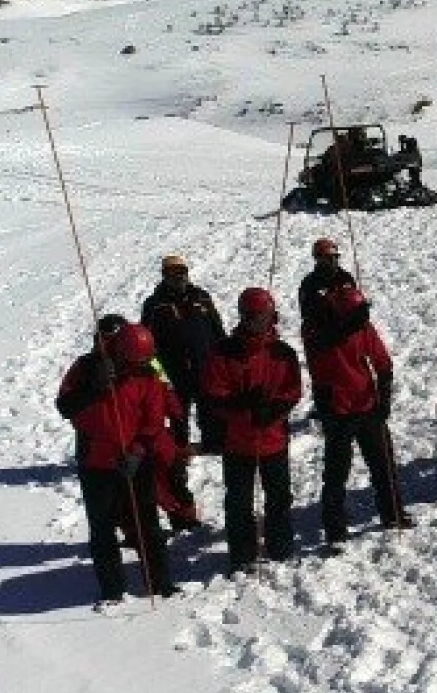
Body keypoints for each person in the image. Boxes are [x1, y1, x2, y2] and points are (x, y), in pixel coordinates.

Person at [56, 319, 179, 607]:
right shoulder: (86, 367)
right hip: (96, 462)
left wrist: (137, 451)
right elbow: (65, 406)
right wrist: (95, 387)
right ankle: (111, 589)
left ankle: (160, 582)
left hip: (136, 460)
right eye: (133, 362)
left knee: (147, 522)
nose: (138, 367)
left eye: (142, 362)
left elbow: (153, 419)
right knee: (102, 527)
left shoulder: (148, 372)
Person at [202, 288, 303, 574]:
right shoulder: (223, 352)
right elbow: (213, 395)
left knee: (280, 497)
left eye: (264, 316)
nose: (259, 322)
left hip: (274, 440)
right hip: (237, 443)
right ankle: (242, 555)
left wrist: (270, 411)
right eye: (253, 317)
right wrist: (244, 405)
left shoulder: (283, 353)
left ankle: (280, 546)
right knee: (238, 503)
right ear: (243, 316)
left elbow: (292, 391)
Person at [303, 286, 410, 543]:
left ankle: (392, 512)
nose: (363, 317)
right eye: (357, 312)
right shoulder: (316, 330)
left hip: (367, 405)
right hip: (337, 410)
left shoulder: (362, 327)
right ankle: (335, 529)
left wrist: (384, 395)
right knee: (337, 472)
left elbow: (382, 362)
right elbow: (316, 359)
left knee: (383, 464)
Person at [141, 254, 226, 461]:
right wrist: (157, 371)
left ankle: (213, 442)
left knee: (209, 405)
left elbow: (217, 329)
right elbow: (146, 343)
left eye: (181, 272)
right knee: (178, 411)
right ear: (164, 276)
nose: (178, 277)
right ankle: (180, 448)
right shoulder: (154, 305)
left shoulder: (202, 297)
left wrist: (222, 357)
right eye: (172, 273)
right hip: (172, 369)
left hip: (204, 364)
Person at [298, 237, 356, 331]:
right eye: (329, 257)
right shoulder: (309, 283)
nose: (333, 260)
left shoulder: (346, 278)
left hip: (350, 330)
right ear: (318, 258)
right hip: (326, 335)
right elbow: (307, 315)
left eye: (336, 256)